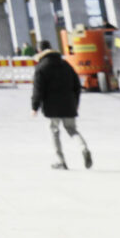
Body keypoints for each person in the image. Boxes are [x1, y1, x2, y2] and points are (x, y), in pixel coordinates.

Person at [31, 40, 92, 169]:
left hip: (51, 106)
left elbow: (38, 89)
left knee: (54, 131)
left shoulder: (41, 67)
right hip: (69, 103)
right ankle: (83, 148)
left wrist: (34, 107)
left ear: (39, 51)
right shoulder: (65, 64)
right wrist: (76, 102)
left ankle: (61, 161)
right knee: (72, 129)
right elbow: (77, 85)